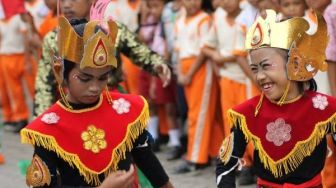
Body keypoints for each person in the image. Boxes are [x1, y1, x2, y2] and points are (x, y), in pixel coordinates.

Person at [21, 17, 173, 188]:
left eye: (102, 78)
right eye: (84, 78)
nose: (94, 87)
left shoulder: (123, 111)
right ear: (60, 72)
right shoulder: (49, 128)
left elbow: (147, 159)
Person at [216, 9, 336, 187]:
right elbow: (226, 159)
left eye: (266, 66)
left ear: (294, 63)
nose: (260, 76)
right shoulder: (248, 113)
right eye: (255, 69)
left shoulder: (325, 108)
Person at [34, 0, 171, 117]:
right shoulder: (54, 39)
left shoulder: (111, 30)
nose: (67, 5)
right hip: (72, 106)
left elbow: (140, 51)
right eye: (63, 0)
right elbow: (44, 83)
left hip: (110, 103)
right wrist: (43, 121)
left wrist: (157, 64)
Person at [174, 0, 219, 173]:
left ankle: (195, 157)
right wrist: (180, 72)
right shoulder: (179, 21)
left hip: (200, 68)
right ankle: (215, 152)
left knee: (197, 114)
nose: (192, 3)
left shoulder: (204, 19)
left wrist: (189, 74)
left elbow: (203, 51)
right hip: (185, 67)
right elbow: (178, 49)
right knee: (203, 113)